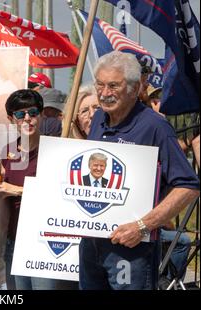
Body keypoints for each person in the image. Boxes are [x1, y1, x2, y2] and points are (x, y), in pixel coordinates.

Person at [79, 51, 199, 290]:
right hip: (91, 245)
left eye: (113, 86)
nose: (104, 93)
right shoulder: (99, 118)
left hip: (132, 250)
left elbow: (188, 186)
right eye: (100, 84)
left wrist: (143, 226)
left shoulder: (155, 127)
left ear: (134, 89)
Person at [0, 89, 77, 290]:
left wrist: (16, 190)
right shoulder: (5, 152)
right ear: (11, 119)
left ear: (42, 115)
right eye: (20, 114)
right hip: (14, 241)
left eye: (33, 113)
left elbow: (61, 195)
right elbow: (0, 192)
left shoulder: (57, 150)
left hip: (45, 244)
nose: (27, 119)